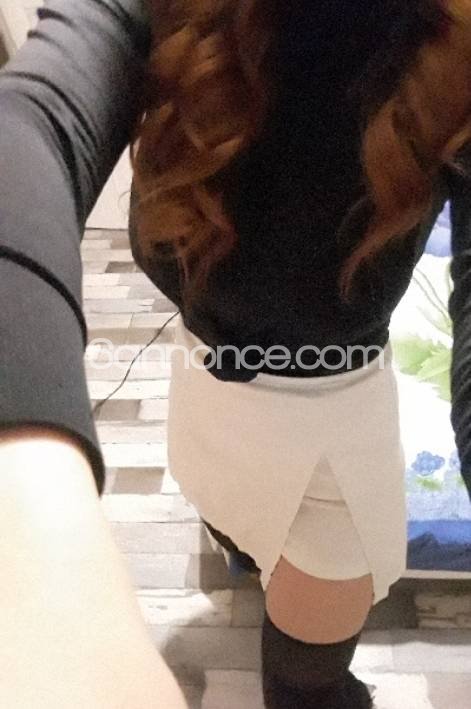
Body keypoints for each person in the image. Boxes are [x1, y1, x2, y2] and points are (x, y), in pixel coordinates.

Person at [1, 1, 471, 707]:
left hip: (330, 453)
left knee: (307, 690)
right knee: (241, 540)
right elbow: (29, 127)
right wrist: (38, 513)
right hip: (205, 400)